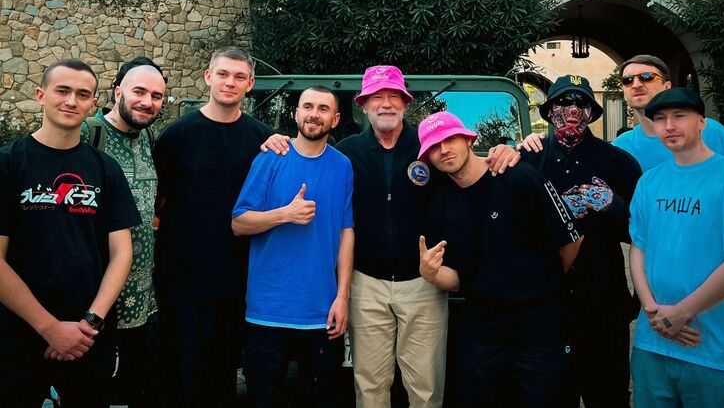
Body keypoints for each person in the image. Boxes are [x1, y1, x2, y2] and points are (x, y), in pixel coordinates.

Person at [261, 65, 520, 408]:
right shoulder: (347, 153)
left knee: (426, 389)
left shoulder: (430, 146)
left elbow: (467, 169)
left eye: (394, 96)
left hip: (423, 284)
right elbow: (306, 158)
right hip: (366, 283)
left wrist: (509, 151)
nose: (386, 104)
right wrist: (274, 140)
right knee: (369, 387)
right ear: (364, 104)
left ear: (405, 102)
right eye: (377, 97)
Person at [0, 59, 141, 407]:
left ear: (92, 104)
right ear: (41, 95)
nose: (71, 101)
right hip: (17, 333)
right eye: (62, 90)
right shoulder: (8, 163)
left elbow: (122, 253)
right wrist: (49, 328)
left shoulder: (105, 169)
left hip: (88, 335)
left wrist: (90, 323)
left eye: (82, 94)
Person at [417, 111, 583, 406]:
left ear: (468, 139)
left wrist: (542, 283)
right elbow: (461, 278)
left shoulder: (519, 177)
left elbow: (571, 240)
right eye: (434, 146)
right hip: (483, 328)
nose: (444, 150)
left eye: (450, 139)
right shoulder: (441, 202)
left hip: (538, 324)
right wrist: (432, 274)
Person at [152, 46, 273, 407]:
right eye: (223, 74)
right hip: (181, 280)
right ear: (208, 77)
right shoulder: (176, 136)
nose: (230, 82)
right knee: (180, 376)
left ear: (250, 84)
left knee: (222, 378)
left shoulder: (263, 140)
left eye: (239, 76)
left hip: (236, 280)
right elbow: (158, 204)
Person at [519, 74, 641, 407]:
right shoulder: (528, 159)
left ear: (592, 112)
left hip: (603, 300)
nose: (573, 109)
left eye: (582, 102)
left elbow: (642, 232)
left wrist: (611, 205)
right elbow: (513, 229)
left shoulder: (619, 162)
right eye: (564, 101)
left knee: (608, 394)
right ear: (549, 110)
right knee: (553, 394)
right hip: (547, 303)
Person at [232, 86, 354, 407]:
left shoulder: (343, 166)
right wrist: (285, 214)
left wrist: (342, 297)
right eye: (308, 106)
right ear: (296, 113)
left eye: (323, 109)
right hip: (268, 311)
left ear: (335, 119)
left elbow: (346, 232)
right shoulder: (270, 158)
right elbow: (239, 223)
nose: (314, 114)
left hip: (321, 312)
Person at [628, 87, 724, 406]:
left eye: (679, 116)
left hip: (716, 348)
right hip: (652, 342)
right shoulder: (649, 181)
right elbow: (638, 249)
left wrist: (681, 313)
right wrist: (653, 312)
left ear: (702, 122)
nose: (669, 126)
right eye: (660, 119)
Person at [80, 57, 167, 407]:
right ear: (118, 92)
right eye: (139, 92)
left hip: (141, 299)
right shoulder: (88, 133)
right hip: (94, 295)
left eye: (156, 96)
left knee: (133, 387)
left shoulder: (148, 135)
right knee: (89, 390)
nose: (148, 102)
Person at [520, 55, 724, 171]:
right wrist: (534, 143)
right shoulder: (621, 148)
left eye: (647, 77)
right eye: (628, 80)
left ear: (667, 86)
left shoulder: (710, 131)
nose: (636, 84)